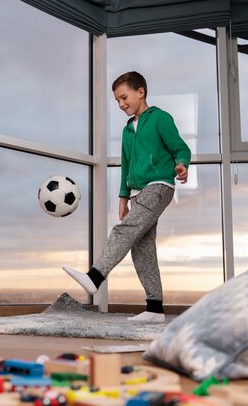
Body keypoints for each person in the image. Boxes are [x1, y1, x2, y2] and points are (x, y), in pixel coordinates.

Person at [62, 71, 191, 323]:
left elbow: (180, 147)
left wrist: (182, 164)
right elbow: (126, 164)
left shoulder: (160, 118)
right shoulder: (127, 130)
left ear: (140, 92)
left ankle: (95, 277)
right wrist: (123, 197)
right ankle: (155, 308)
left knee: (123, 231)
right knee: (142, 248)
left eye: (124, 98)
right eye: (117, 101)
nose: (121, 104)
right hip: (137, 191)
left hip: (159, 185)